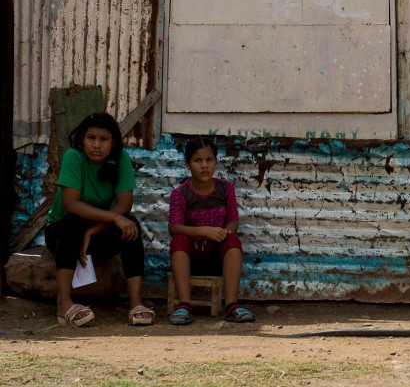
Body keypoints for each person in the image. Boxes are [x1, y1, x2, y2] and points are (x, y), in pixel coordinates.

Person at [44, 112, 154, 327]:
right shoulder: (73, 157)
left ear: (113, 143)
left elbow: (124, 205)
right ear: (82, 139)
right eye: (91, 138)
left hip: (96, 232)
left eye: (103, 139)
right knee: (72, 224)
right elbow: (72, 205)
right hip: (62, 233)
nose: (96, 145)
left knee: (131, 227)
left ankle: (135, 303)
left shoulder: (120, 159)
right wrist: (112, 218)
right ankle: (64, 303)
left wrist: (92, 231)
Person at [168, 138, 255, 324]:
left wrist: (226, 233)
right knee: (179, 240)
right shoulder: (180, 193)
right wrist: (204, 231)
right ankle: (185, 305)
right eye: (197, 161)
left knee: (233, 241)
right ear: (187, 163)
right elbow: (174, 227)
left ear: (216, 161)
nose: (204, 166)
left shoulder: (225, 188)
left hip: (218, 257)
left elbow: (233, 220)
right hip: (191, 259)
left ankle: (231, 305)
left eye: (209, 160)